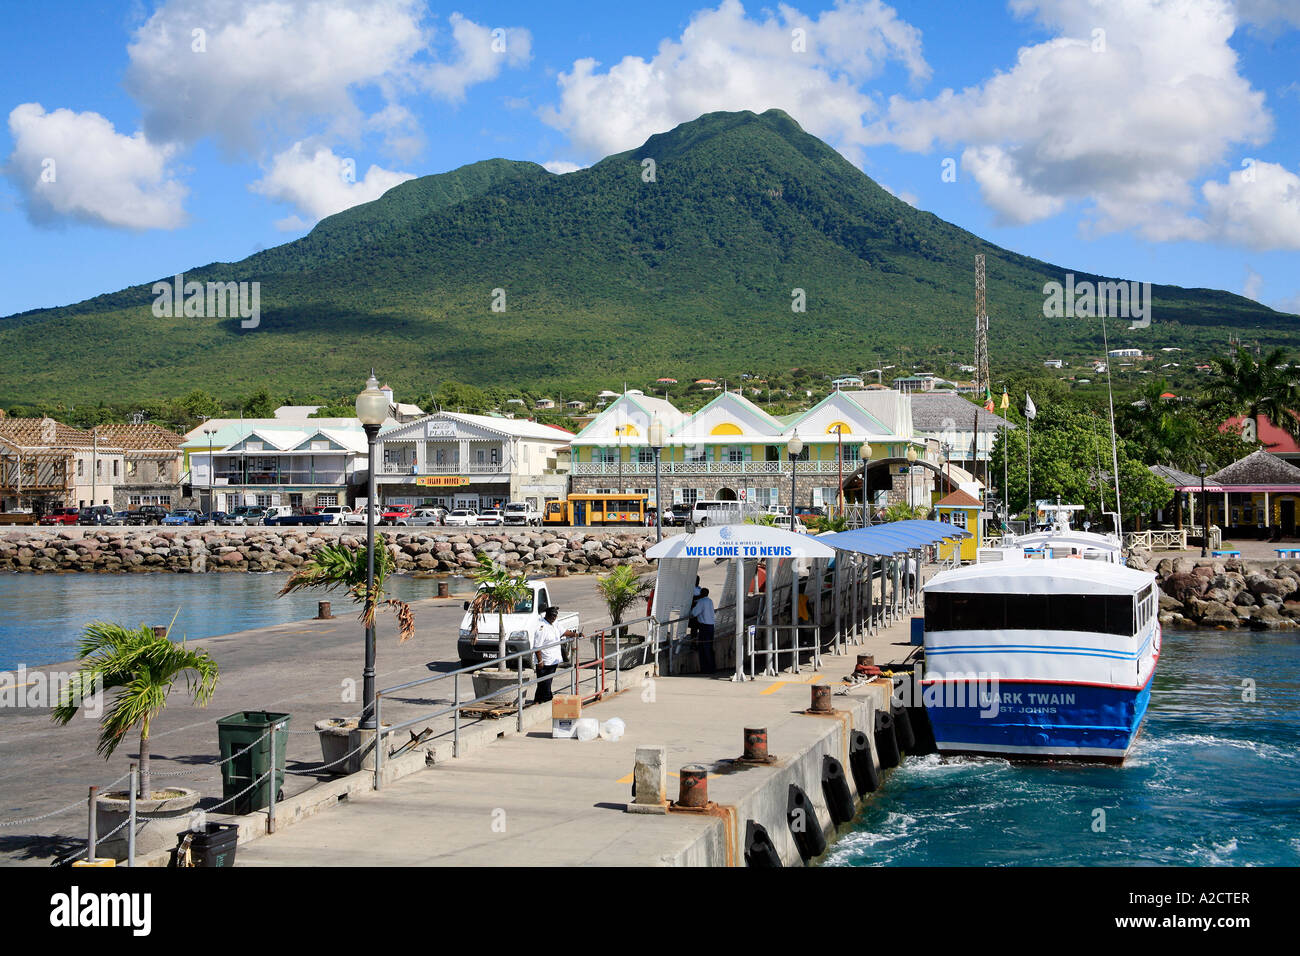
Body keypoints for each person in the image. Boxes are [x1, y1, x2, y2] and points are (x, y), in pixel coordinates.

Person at [531, 605, 564, 705]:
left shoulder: (555, 624)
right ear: (547, 615)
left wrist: (576, 634)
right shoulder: (542, 627)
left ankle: (538, 700)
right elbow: (537, 646)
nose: (554, 618)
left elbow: (563, 631)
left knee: (546, 682)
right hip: (544, 661)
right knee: (544, 683)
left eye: (555, 616)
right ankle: (547, 699)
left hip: (553, 659)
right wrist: (540, 661)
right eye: (552, 615)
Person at [690, 587, 716, 673]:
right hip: (711, 626)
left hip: (704, 627)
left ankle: (705, 669)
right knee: (710, 647)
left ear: (701, 594)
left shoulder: (701, 602)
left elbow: (694, 613)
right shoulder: (710, 601)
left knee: (704, 648)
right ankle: (712, 667)